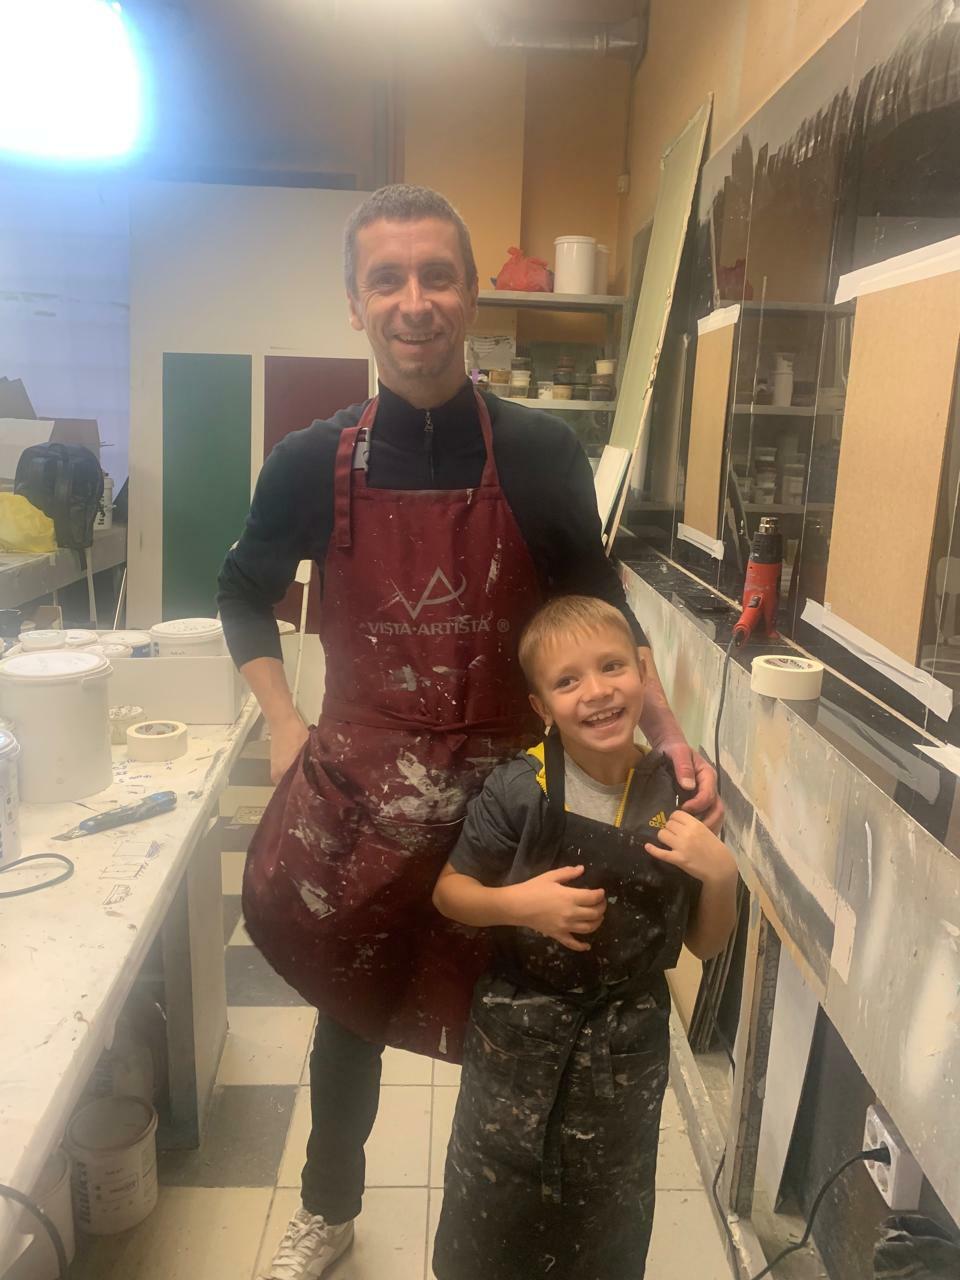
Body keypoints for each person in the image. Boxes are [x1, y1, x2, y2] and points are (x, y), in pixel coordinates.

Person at [217, 184, 721, 1280]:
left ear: (470, 295)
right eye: (387, 280)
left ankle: (510, 1237)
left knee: (524, 1010)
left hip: (511, 795)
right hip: (367, 796)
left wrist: (672, 737)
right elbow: (241, 591)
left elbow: (597, 604)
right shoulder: (310, 460)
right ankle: (327, 1208)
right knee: (352, 1010)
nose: (415, 301)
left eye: (436, 276)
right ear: (355, 303)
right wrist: (283, 719)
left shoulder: (540, 452)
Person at [431, 595, 738, 1280]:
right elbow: (450, 893)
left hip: (625, 1051)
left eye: (612, 667)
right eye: (568, 681)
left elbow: (706, 945)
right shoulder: (520, 789)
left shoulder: (676, 793)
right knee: (492, 1220)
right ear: (541, 707)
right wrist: (521, 904)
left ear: (643, 676)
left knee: (604, 1228)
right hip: (516, 1040)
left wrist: (722, 874)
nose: (597, 691)